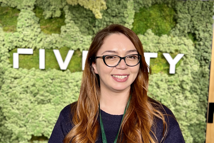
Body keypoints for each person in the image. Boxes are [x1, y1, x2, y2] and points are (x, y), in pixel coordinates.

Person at [48, 24, 185, 143]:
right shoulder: (71, 117)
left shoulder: (160, 119)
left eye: (131, 57)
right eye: (111, 57)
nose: (122, 65)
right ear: (94, 65)